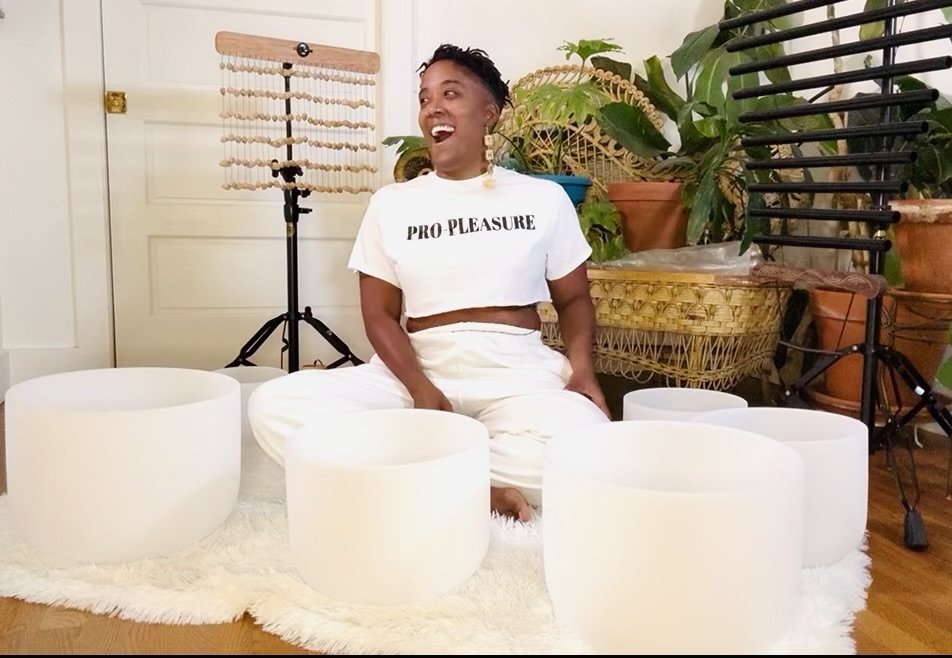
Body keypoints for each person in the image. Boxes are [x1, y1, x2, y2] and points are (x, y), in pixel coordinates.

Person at [248, 44, 610, 522]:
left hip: (515, 369)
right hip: (415, 365)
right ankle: (476, 487)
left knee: (587, 446)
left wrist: (582, 370)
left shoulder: (543, 199)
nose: (432, 108)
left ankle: (416, 474)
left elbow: (574, 297)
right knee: (274, 405)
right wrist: (419, 387)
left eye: (450, 94)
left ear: (489, 112)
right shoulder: (392, 204)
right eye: (424, 98)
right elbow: (379, 314)